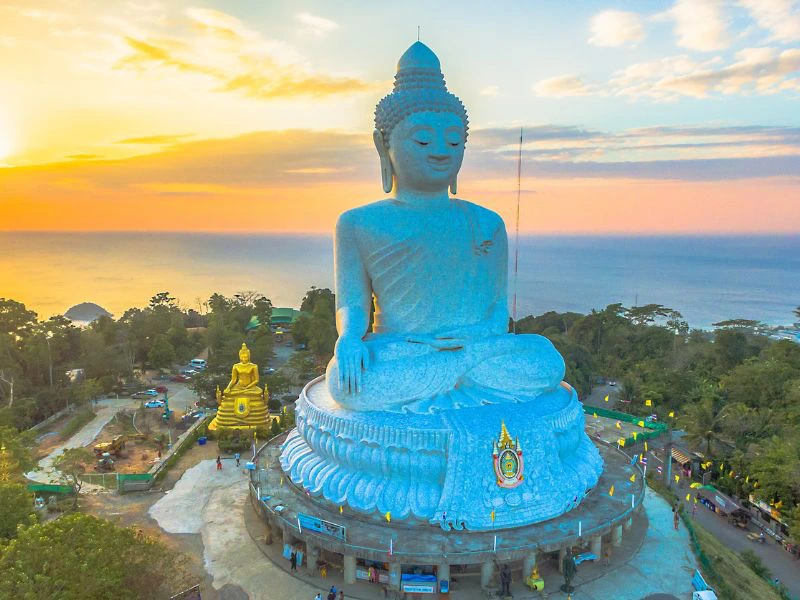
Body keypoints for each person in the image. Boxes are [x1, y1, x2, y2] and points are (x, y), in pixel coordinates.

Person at [325, 41, 565, 412]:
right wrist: (349, 340)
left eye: (454, 140)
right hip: (402, 350)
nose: (441, 150)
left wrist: (479, 337)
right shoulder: (358, 223)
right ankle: (461, 380)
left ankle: (449, 376)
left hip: (475, 347)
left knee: (545, 358)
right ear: (382, 147)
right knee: (347, 381)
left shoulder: (486, 222)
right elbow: (353, 304)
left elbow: (498, 308)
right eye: (422, 139)